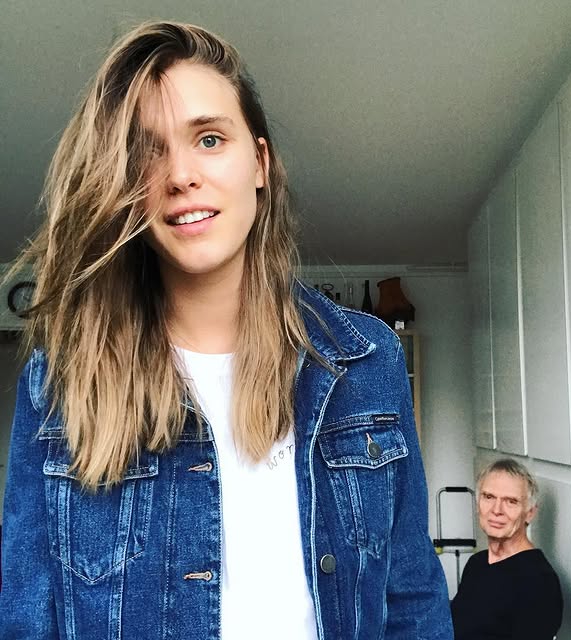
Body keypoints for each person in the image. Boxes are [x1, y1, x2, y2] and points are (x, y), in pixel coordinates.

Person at [0, 21, 452, 639]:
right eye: (147, 151)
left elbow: (412, 602)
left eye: (209, 139)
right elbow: (26, 617)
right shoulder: (59, 382)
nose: (180, 174)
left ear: (260, 162)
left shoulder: (367, 362)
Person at [450, 458, 563, 640]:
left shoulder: (538, 582)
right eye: (489, 497)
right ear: (478, 504)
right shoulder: (477, 562)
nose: (497, 510)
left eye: (511, 501)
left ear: (530, 513)